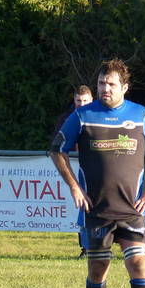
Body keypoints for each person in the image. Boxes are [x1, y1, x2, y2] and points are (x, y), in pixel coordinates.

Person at [51, 60, 145, 288]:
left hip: (132, 209)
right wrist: (74, 187)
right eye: (101, 83)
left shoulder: (141, 115)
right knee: (98, 269)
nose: (105, 88)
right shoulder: (83, 115)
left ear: (124, 87)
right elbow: (57, 150)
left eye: (111, 84)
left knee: (138, 264)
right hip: (97, 210)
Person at [53, 85, 94, 257]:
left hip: (95, 166)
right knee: (82, 206)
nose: (82, 104)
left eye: (85, 101)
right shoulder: (67, 119)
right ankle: (85, 247)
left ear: (91, 100)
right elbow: (57, 146)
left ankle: (101, 246)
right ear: (74, 100)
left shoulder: (99, 116)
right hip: (74, 168)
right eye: (79, 101)